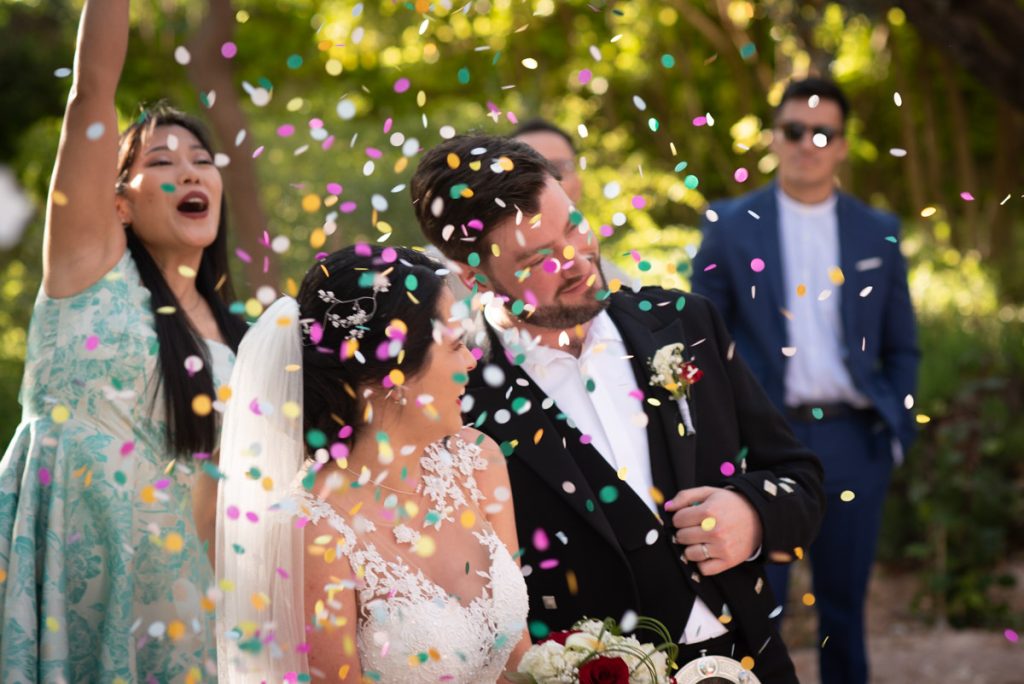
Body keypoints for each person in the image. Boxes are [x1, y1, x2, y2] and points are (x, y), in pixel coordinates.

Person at [410, 134, 826, 682]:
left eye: (575, 226)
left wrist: (752, 517)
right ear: (474, 277)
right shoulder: (463, 399)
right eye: (538, 257)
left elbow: (802, 480)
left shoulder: (686, 323)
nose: (576, 260)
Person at [0, 0, 246, 680]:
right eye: (164, 161)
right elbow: (91, 93)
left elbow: (226, 495)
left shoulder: (242, 338)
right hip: (52, 560)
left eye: (203, 159)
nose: (192, 171)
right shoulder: (88, 268)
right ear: (119, 202)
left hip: (176, 600)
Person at [691, 77, 919, 684]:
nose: (808, 143)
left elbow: (904, 344)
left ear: (843, 145)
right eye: (794, 130)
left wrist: (896, 430)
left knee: (843, 612)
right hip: (767, 446)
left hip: (854, 441)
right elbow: (701, 341)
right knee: (757, 609)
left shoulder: (877, 231)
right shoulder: (731, 225)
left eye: (823, 133)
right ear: (775, 137)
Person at [215, 245, 530, 683]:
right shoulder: (314, 530)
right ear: (394, 373)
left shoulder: (478, 460)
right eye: (456, 345)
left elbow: (518, 657)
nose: (471, 360)